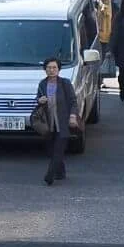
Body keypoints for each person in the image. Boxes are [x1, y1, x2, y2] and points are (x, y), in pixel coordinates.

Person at [37, 56, 81, 186]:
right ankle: (61, 172)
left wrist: (73, 116)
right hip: (48, 122)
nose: (51, 70)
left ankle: (49, 176)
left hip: (63, 121)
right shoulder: (42, 84)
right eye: (49, 68)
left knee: (58, 149)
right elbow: (38, 98)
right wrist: (40, 101)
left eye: (54, 67)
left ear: (58, 69)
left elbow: (73, 101)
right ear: (45, 69)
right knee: (51, 150)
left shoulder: (65, 83)